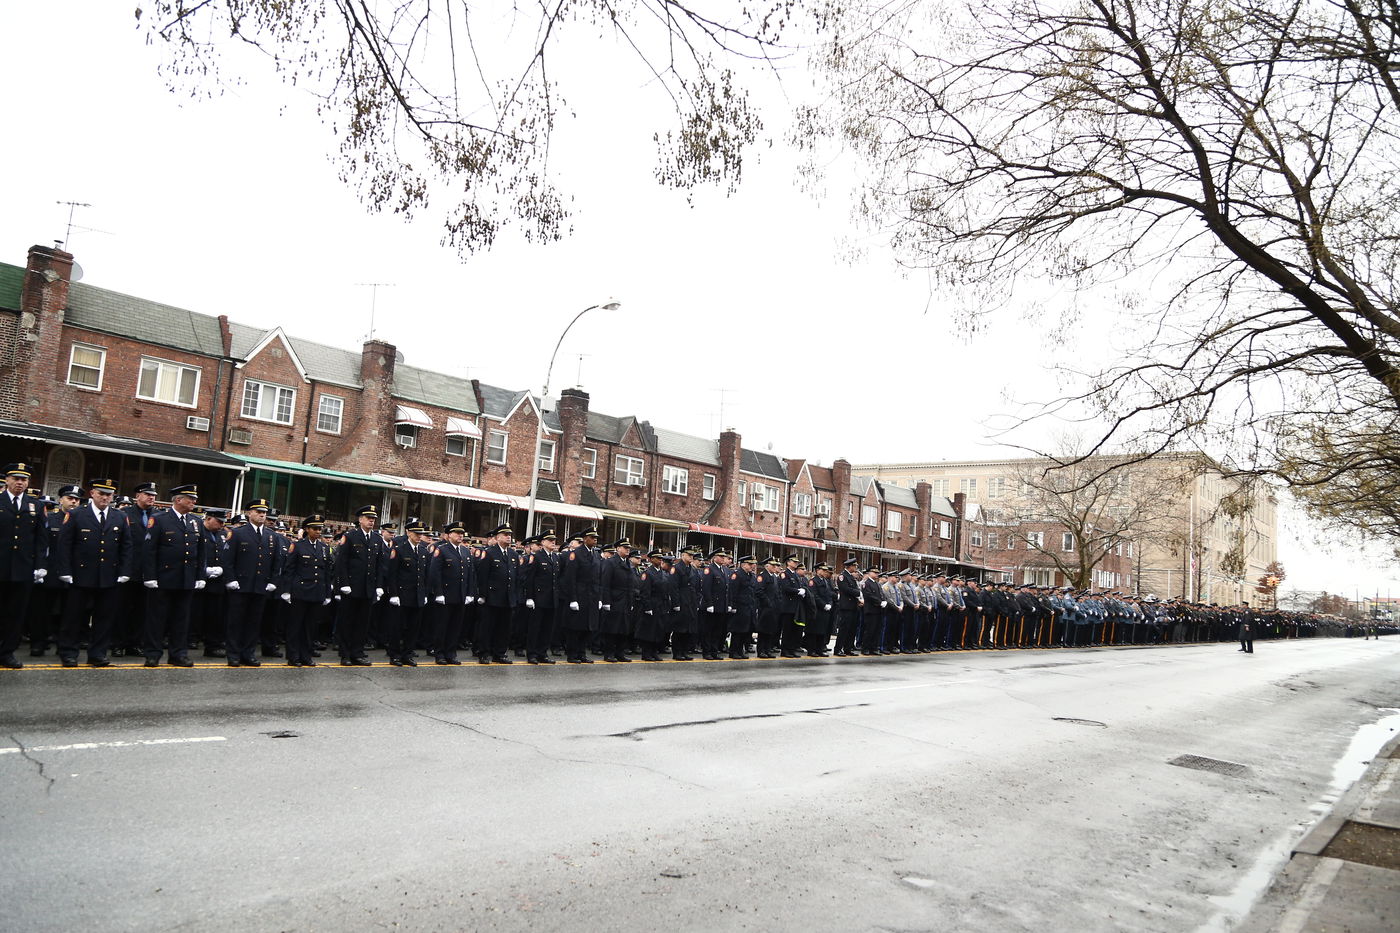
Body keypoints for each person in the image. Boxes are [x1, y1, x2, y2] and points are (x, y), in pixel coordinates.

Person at [53, 477, 134, 667]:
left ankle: (97, 653)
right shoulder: (77, 515)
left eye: (109, 495)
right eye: (102, 494)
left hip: (109, 575)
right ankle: (69, 652)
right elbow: (64, 544)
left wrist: (124, 570)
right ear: (92, 494)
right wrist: (65, 570)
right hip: (81, 574)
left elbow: (126, 546)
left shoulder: (120, 516)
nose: (105, 498)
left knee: (104, 618)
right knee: (74, 617)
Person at [139, 483, 213, 667]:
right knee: (157, 619)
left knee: (181, 619)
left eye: (195, 499)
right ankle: (153, 654)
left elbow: (201, 552)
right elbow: (149, 550)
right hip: (163, 578)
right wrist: (150, 576)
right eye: (191, 498)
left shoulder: (195, 522)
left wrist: (200, 577)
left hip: (186, 579)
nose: (194, 501)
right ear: (178, 500)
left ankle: (178, 653)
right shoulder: (160, 519)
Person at [222, 498, 285, 667]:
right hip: (240, 585)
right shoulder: (237, 533)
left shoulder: (272, 536)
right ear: (249, 513)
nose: (262, 515)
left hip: (260, 585)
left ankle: (248, 654)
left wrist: (273, 581)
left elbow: (276, 561)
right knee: (236, 622)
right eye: (258, 512)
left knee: (253, 622)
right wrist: (231, 580)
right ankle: (233, 654)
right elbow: (227, 560)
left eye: (264, 512)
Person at [0, 463, 49, 669]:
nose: (20, 483)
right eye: (16, 479)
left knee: (16, 613)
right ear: (7, 480)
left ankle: (7, 652)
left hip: (23, 568)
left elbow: (41, 539)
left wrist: (40, 565)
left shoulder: (35, 505)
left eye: (24, 480)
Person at [333, 504, 385, 666]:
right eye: (368, 518)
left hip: (368, 588)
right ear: (360, 519)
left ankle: (358, 652)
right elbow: (341, 562)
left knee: (363, 623)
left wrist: (379, 585)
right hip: (351, 587)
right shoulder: (350, 536)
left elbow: (379, 565)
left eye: (373, 519)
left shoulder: (377, 539)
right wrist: (344, 583)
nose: (371, 521)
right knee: (347, 621)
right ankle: (345, 653)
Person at [282, 514, 333, 667]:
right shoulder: (297, 546)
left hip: (316, 592)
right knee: (295, 626)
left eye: (320, 529)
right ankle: (293, 656)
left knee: (310, 627)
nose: (318, 531)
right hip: (300, 591)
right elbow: (289, 569)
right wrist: (286, 590)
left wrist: (327, 593)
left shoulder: (324, 547)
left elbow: (326, 572)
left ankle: (306, 655)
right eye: (315, 528)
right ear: (307, 529)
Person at [427, 520, 477, 665]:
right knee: (442, 626)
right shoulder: (442, 550)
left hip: (460, 595)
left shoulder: (465, 551)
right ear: (449, 535)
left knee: (455, 627)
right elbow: (435, 573)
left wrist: (469, 593)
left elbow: (469, 574)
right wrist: (438, 593)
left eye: (462, 533)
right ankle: (440, 654)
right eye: (457, 533)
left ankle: (451, 653)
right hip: (446, 595)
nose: (460, 536)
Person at [384, 519, 431, 666]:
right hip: (402, 595)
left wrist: (424, 594)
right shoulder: (399, 549)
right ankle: (395, 655)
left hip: (417, 595)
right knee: (397, 627)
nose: (419, 536)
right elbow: (392, 574)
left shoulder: (424, 551)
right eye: (416, 533)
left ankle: (407, 654)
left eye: (421, 534)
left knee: (413, 627)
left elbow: (425, 575)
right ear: (409, 533)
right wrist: (393, 594)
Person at [473, 523, 518, 663]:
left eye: (510, 535)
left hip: (507, 597)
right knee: (487, 627)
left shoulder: (513, 554)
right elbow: (482, 576)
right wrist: (482, 595)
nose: (508, 537)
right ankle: (484, 652)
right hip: (492, 597)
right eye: (505, 535)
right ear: (498, 537)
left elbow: (514, 577)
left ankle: (500, 653)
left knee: (504, 628)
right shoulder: (490, 552)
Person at [523, 532, 561, 665]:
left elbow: (557, 579)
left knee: (547, 628)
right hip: (538, 598)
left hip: (551, 598)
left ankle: (542, 653)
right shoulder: (537, 557)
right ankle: (532, 654)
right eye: (550, 540)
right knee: (535, 627)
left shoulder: (555, 558)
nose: (553, 542)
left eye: (554, 540)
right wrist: (529, 597)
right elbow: (530, 579)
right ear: (542, 542)